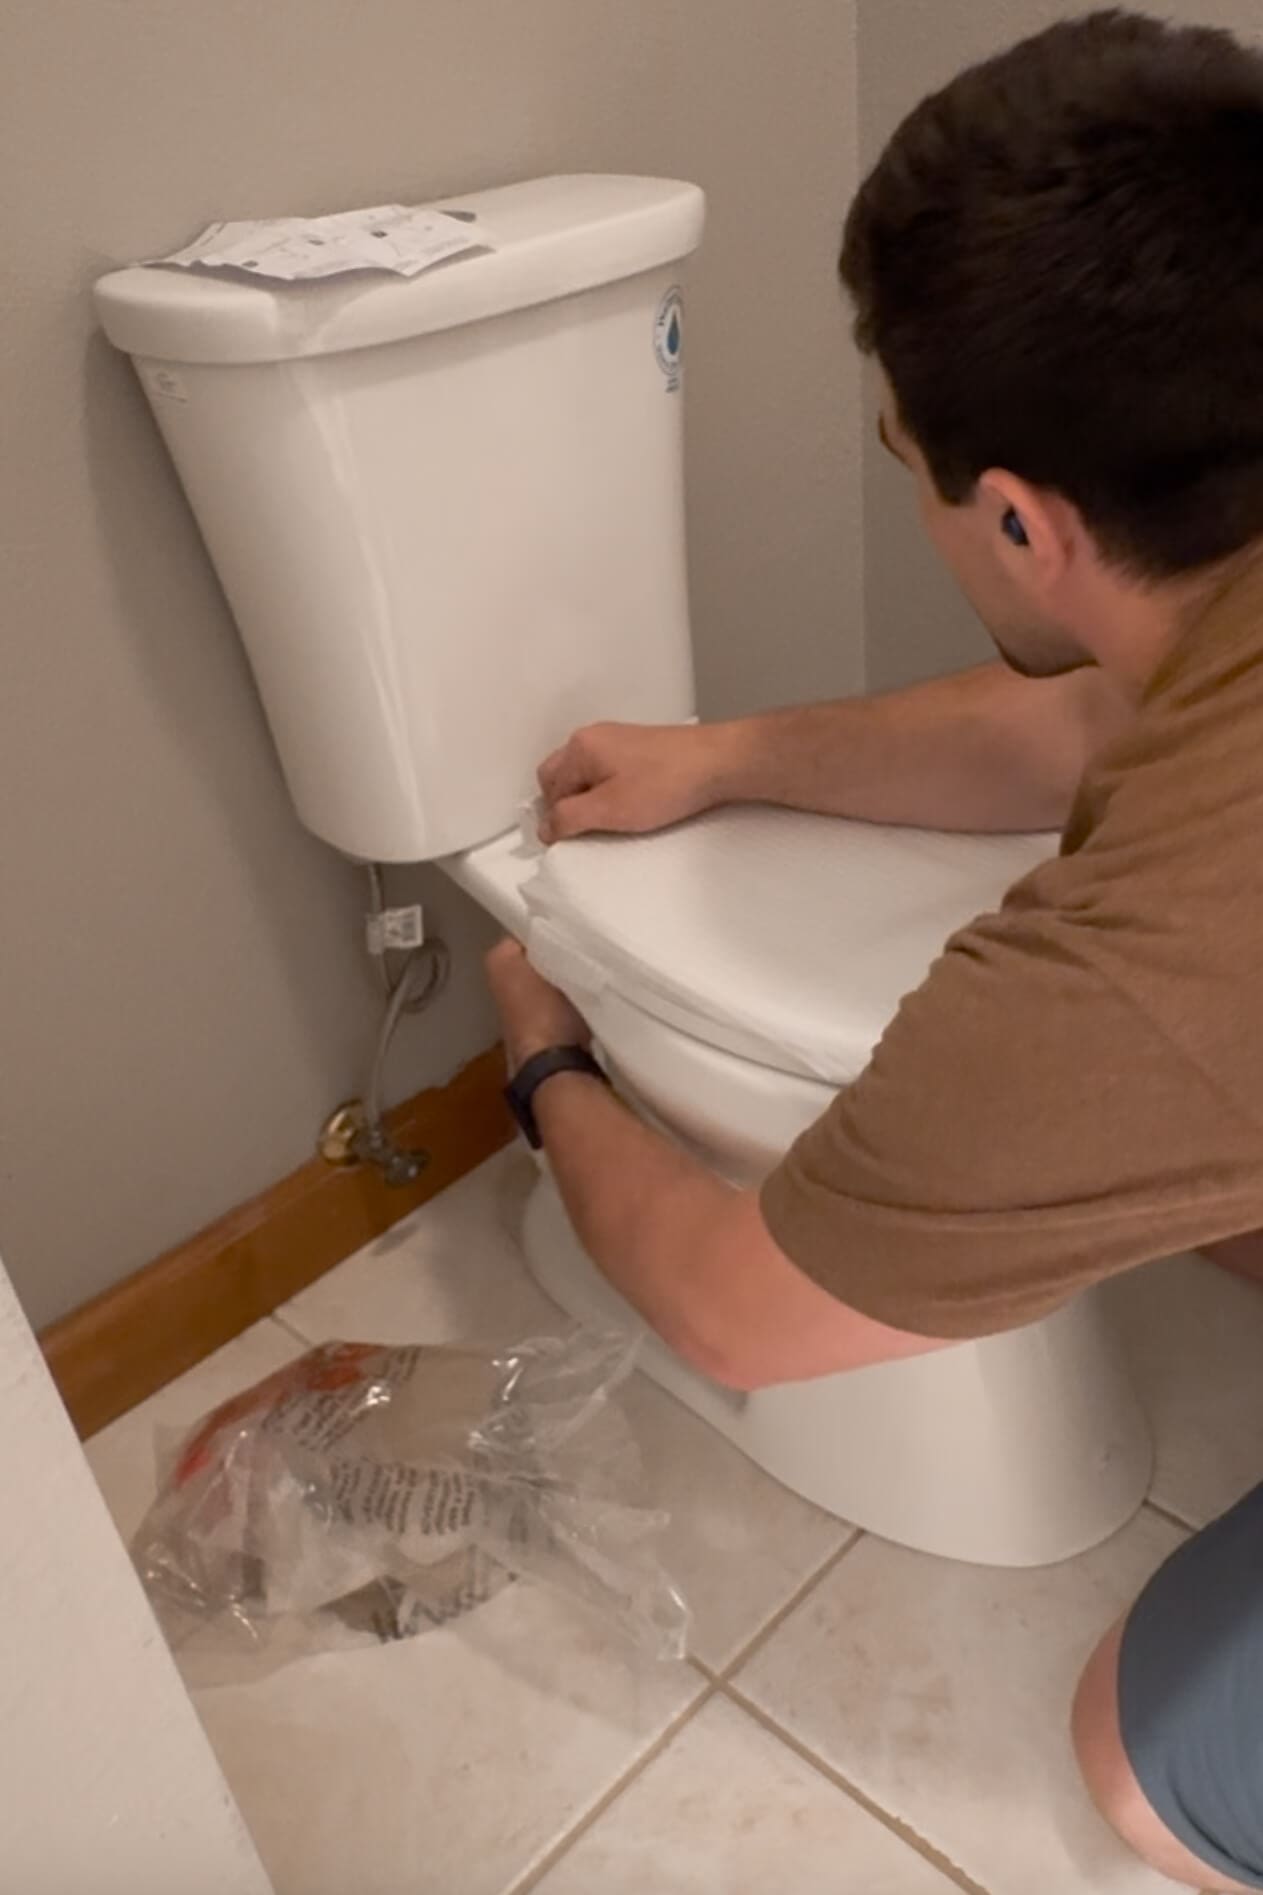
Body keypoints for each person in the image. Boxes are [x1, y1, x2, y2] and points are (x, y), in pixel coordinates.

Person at [484, 12, 1263, 1890]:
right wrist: (726, 758)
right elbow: (1081, 725)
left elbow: (738, 1310)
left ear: (1019, 519)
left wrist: (546, 1063)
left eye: (906, 461)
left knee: (1142, 1763)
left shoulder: (1154, 959)